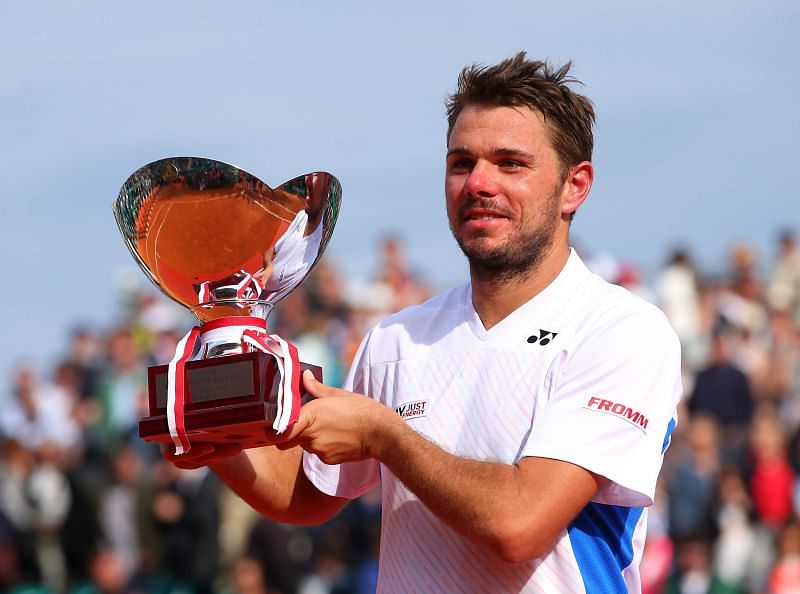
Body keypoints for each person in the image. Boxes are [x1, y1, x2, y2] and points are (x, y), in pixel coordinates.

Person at [166, 52, 683, 593]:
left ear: (575, 186)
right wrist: (214, 424)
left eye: (511, 163)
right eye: (461, 163)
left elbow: (520, 524)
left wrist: (385, 436)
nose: (479, 182)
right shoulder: (396, 338)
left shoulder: (621, 331)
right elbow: (306, 493)